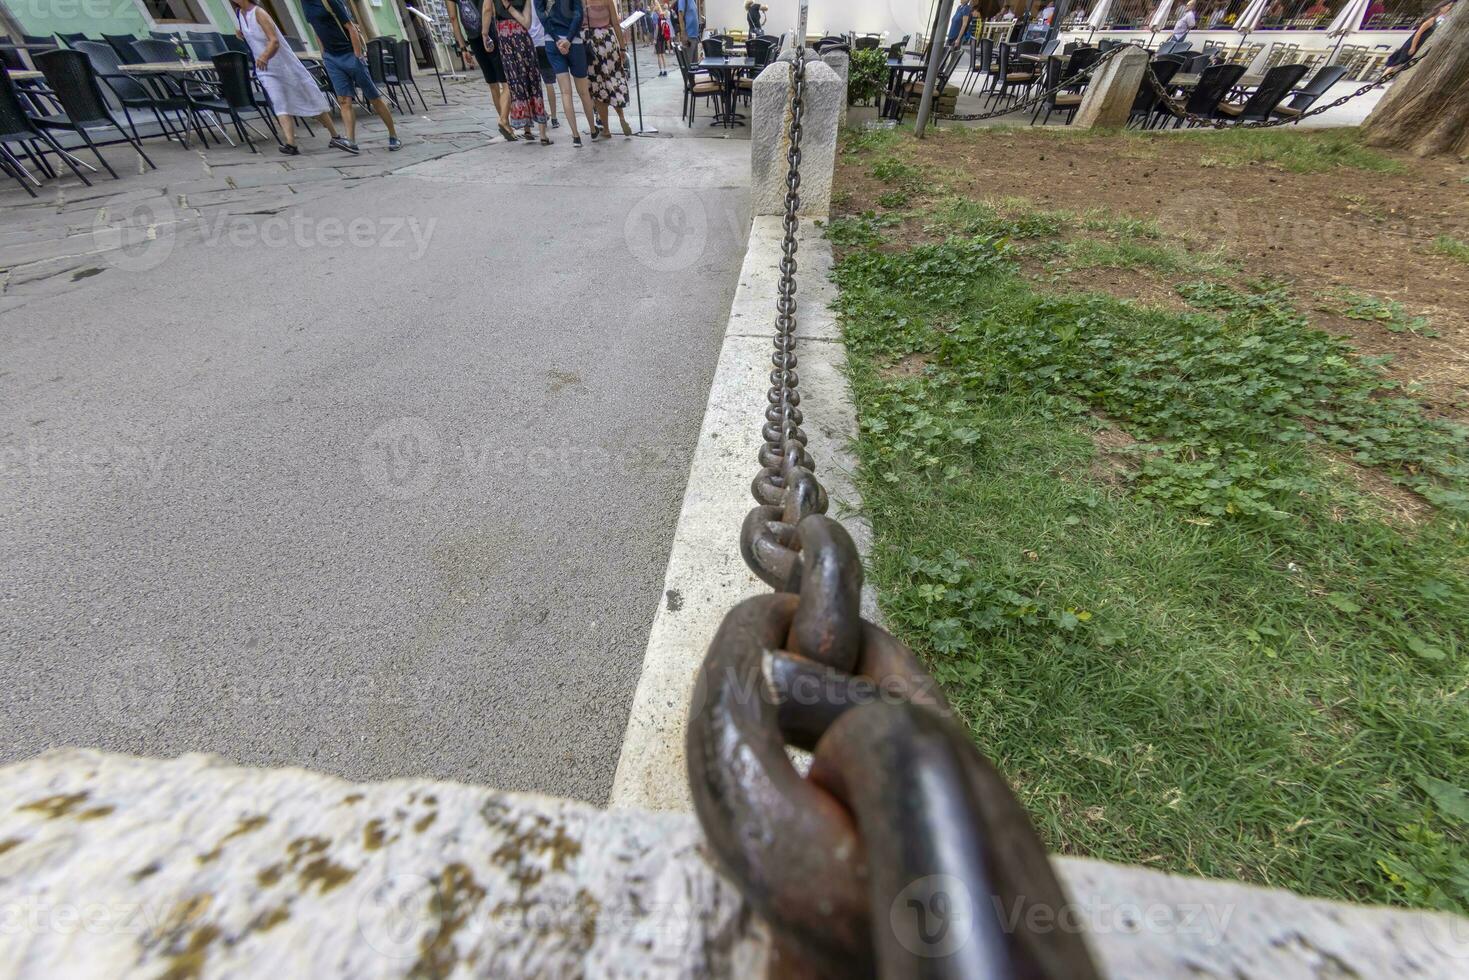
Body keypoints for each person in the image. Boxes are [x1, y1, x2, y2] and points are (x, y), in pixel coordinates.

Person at [229, 0, 342, 155]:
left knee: (310, 98)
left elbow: (274, 41)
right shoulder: (239, 14)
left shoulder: (259, 12)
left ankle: (335, 135)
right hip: (266, 69)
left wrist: (264, 56)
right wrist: (242, 35)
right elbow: (254, 38)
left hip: (285, 66)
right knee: (279, 102)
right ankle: (291, 144)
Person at [299, 0, 401, 152]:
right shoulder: (305, 4)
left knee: (373, 97)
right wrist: (324, 55)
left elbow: (350, 27)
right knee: (344, 100)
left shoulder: (329, 2)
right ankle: (351, 141)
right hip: (331, 58)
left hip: (349, 54)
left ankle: (393, 135)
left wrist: (357, 56)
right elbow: (316, 29)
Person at [447, 0, 516, 141]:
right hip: (490, 32)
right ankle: (503, 120)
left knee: (492, 84)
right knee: (507, 82)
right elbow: (489, 8)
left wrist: (462, 47)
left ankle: (507, 124)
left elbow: (453, 18)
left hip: (473, 38)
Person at [535, 0, 601, 148]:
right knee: (584, 92)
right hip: (574, 42)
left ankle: (576, 136)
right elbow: (578, 14)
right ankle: (592, 129)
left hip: (552, 42)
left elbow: (541, 15)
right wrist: (568, 39)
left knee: (565, 92)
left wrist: (557, 39)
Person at [496, 0, 552, 143]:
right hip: (522, 41)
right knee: (533, 83)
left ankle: (527, 128)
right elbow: (526, 23)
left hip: (505, 40)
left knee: (516, 84)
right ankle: (542, 134)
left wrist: (507, 7)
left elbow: (487, 11)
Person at [584, 0, 632, 137]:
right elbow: (616, 23)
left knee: (598, 87)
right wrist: (622, 47)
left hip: (593, 43)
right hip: (609, 40)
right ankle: (621, 118)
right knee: (615, 82)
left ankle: (606, 129)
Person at [1384, 0, 1454, 76]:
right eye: (1448, 6)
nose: (1449, 8)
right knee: (1400, 60)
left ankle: (1387, 76)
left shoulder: (1439, 20)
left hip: (1420, 44)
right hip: (1413, 42)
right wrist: (1413, 46)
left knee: (1402, 62)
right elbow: (1418, 33)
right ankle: (1383, 77)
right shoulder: (1430, 21)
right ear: (1441, 8)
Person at [676, 0, 700, 64]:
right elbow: (680, 15)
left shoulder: (693, 1)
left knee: (694, 66)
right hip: (688, 37)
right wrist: (683, 34)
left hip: (695, 37)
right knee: (688, 65)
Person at [651, 2, 670, 75]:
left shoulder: (656, 15)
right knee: (663, 54)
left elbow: (656, 28)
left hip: (658, 37)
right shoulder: (663, 15)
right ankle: (665, 70)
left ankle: (661, 71)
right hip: (663, 37)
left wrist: (655, 38)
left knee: (659, 55)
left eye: (653, 5)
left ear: (656, 6)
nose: (652, 6)